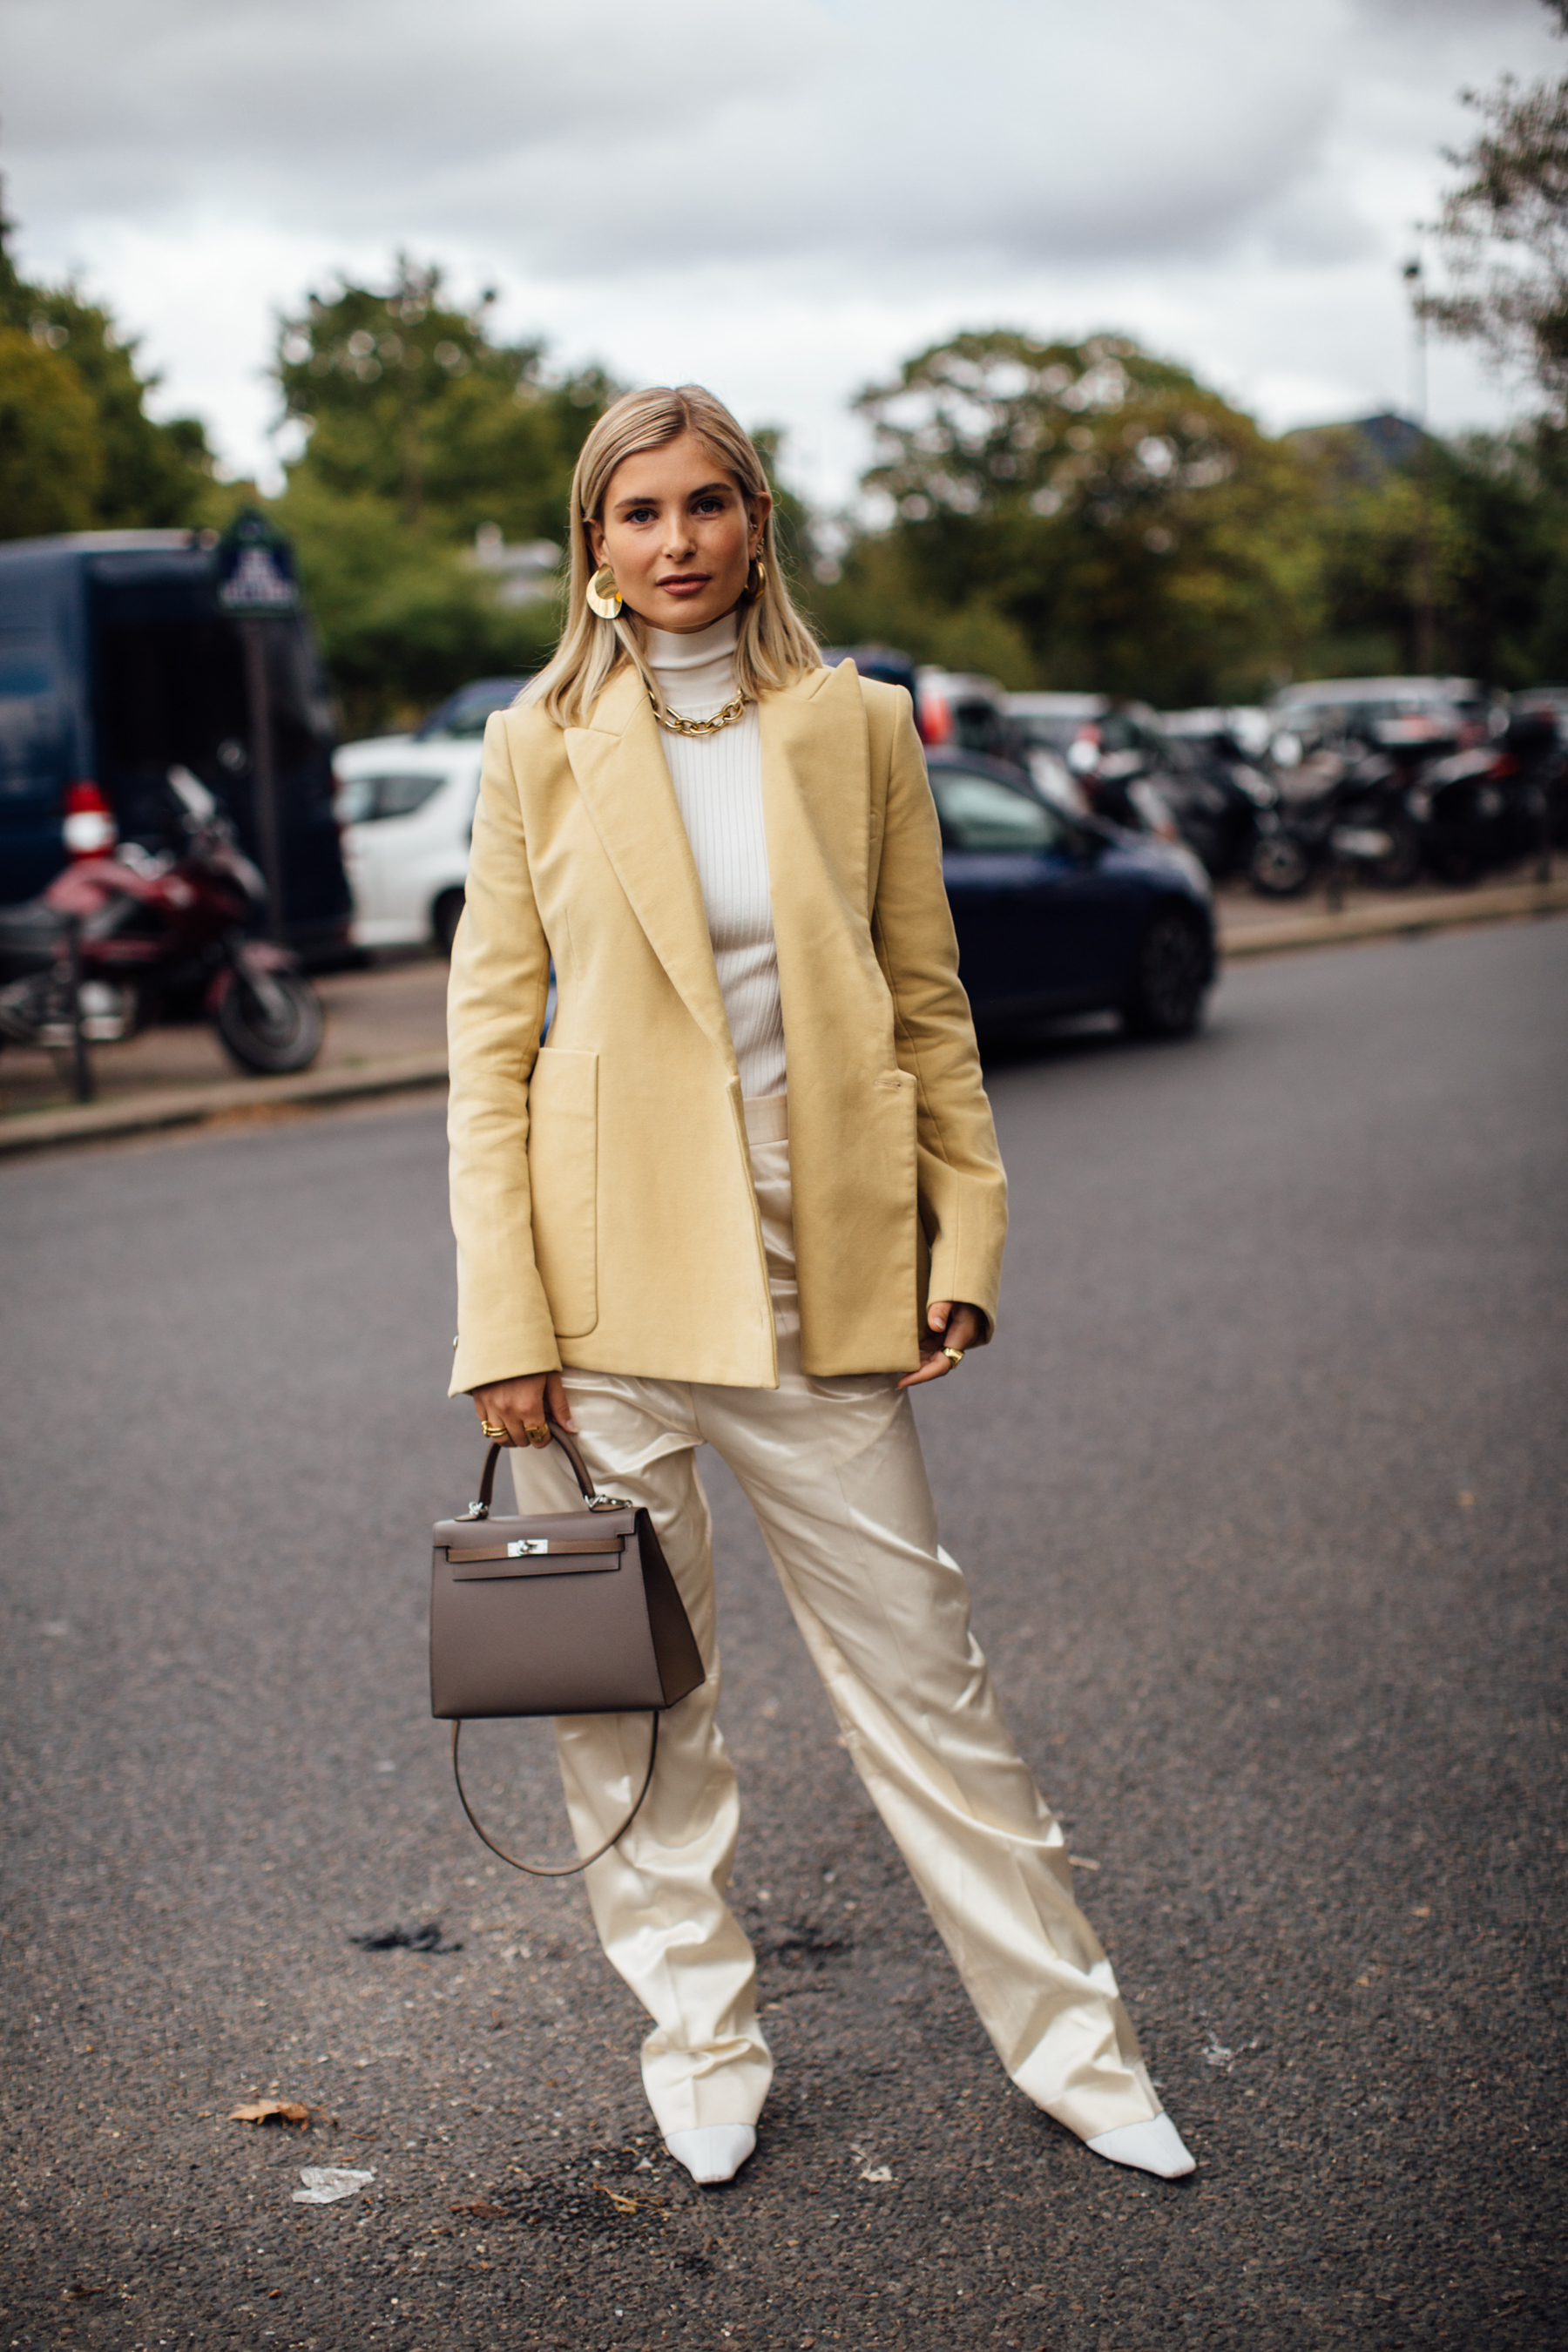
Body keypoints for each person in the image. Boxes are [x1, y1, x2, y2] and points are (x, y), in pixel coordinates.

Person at [445, 383, 1194, 2187]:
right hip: (602, 1280)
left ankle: (1079, 2052)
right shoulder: (536, 740)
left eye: (709, 504)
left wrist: (965, 1237)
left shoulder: (858, 729)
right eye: (639, 514)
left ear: (758, 522)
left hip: (818, 1263)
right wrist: (503, 1324)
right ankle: (699, 2036)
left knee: (926, 1681)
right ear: (595, 545)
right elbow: (487, 1047)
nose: (678, 541)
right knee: (628, 1695)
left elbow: (928, 1005)